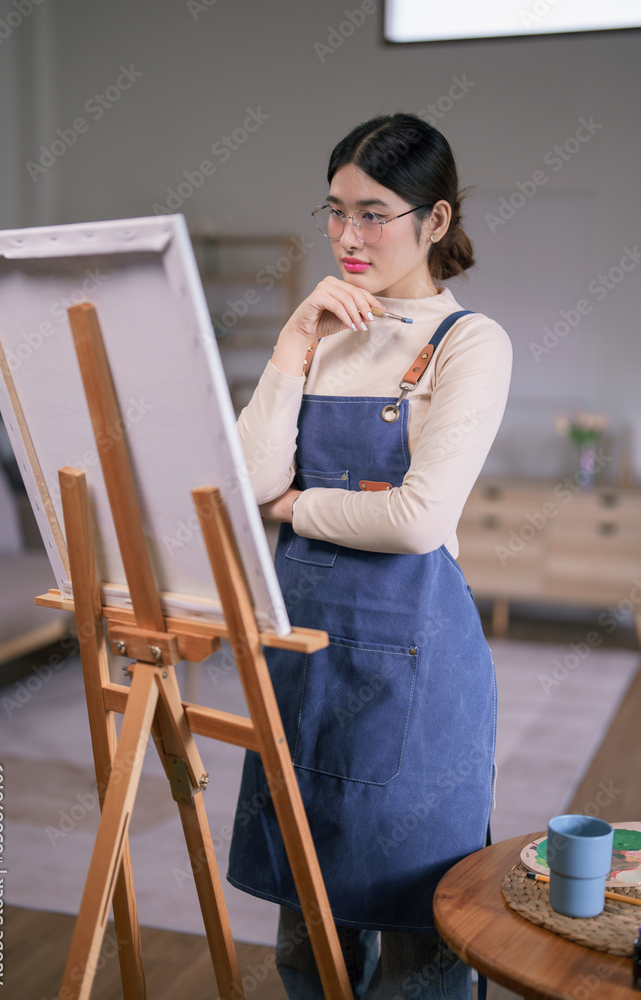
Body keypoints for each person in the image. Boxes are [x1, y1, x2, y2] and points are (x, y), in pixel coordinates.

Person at [226, 112, 513, 1000]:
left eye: (373, 214)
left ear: (434, 220)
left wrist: (294, 508)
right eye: (335, 211)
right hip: (304, 660)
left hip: (414, 676)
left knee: (421, 939)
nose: (347, 237)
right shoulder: (323, 331)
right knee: (306, 929)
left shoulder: (469, 343)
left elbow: (417, 519)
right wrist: (293, 341)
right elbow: (245, 481)